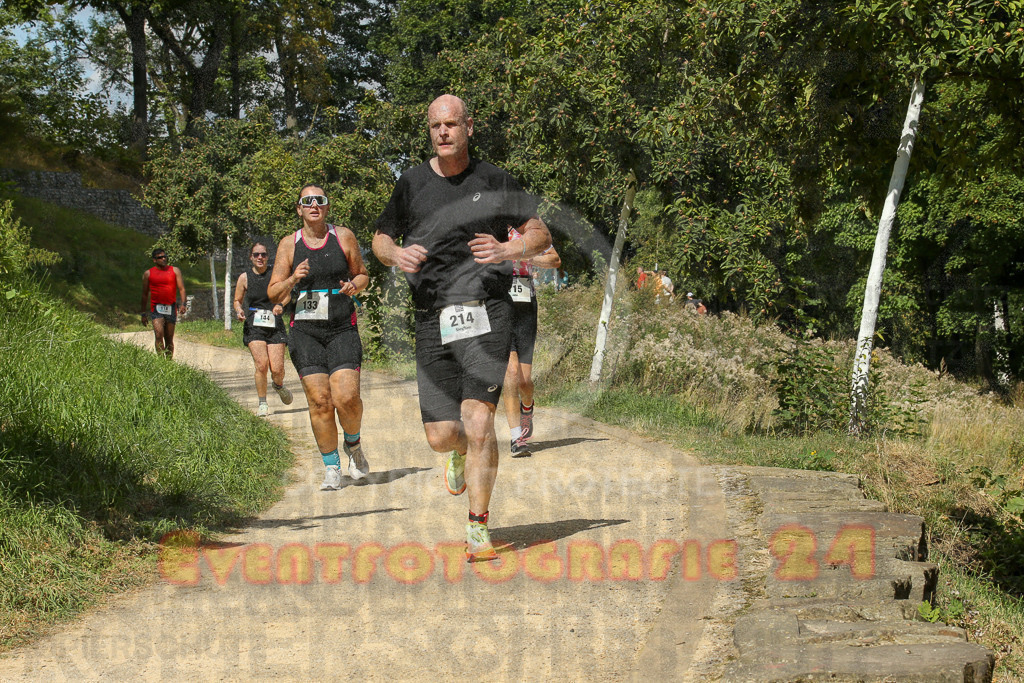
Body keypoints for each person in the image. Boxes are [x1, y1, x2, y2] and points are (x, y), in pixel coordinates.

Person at [372, 94, 552, 562]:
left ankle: (478, 528)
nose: (444, 132)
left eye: (452, 124)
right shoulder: (410, 183)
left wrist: (508, 250)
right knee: (442, 434)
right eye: (436, 126)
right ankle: (456, 455)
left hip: (488, 312)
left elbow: (540, 233)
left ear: (469, 127)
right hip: (432, 316)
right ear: (429, 130)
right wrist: (396, 255)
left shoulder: (495, 180)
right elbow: (380, 238)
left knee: (478, 422)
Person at [268, 185, 370, 491]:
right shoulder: (289, 245)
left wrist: (355, 286)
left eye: (320, 200)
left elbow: (363, 275)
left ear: (326, 207)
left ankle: (353, 446)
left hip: (341, 327)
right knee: (320, 401)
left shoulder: (344, 237)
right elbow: (273, 291)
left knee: (346, 398)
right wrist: (291, 278)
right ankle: (331, 467)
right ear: (299, 209)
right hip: (306, 332)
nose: (314, 204)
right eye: (307, 201)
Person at [504, 233, 560, 457]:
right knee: (511, 371)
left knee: (524, 381)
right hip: (498, 303)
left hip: (525, 304)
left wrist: (526, 256)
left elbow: (554, 260)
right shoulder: (489, 227)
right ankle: (516, 438)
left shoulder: (529, 230)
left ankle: (527, 407)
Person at [233, 242, 294, 417]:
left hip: (274, 323)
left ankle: (278, 385)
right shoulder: (244, 278)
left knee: (277, 369)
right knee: (261, 364)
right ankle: (262, 403)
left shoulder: (276, 275)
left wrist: (281, 305)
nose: (260, 257)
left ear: (268, 256)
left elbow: (288, 293)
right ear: (251, 257)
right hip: (254, 323)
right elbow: (237, 300)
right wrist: (239, 310)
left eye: (263, 254)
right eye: (256, 254)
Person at [140, 247, 186, 358]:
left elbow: (182, 289)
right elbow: (145, 294)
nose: (164, 259)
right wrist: (143, 313)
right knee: (159, 334)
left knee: (169, 337)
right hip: (156, 308)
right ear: (154, 260)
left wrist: (183, 304)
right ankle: (161, 361)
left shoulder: (175, 271)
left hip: (171, 307)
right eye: (160, 257)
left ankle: (169, 362)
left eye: (165, 256)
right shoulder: (148, 274)